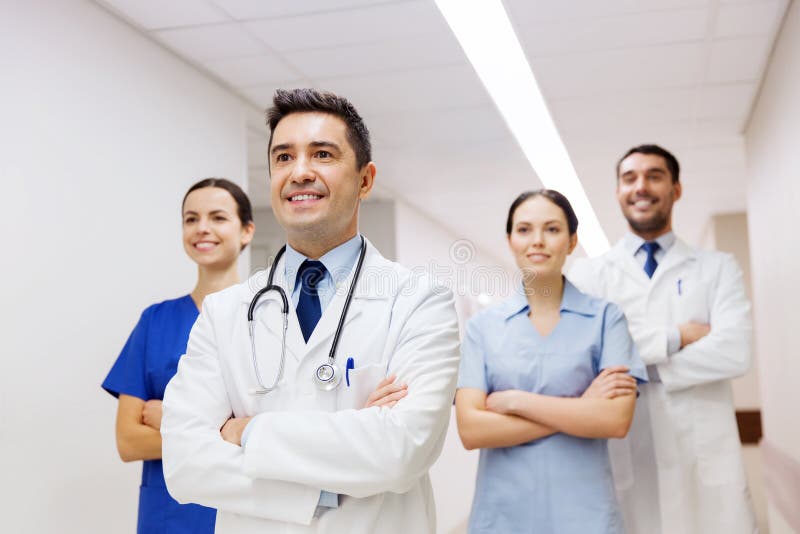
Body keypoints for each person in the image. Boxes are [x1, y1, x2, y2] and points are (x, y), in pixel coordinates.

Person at [160, 88, 461, 534]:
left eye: (322, 154)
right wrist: (326, 485)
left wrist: (247, 433)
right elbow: (186, 465)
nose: (299, 172)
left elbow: (401, 452)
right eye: (283, 158)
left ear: (365, 179)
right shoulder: (225, 313)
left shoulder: (419, 300)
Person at [569, 144, 757, 534]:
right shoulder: (589, 276)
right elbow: (581, 358)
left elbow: (734, 353)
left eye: (654, 176)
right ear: (618, 191)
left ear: (676, 189)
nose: (641, 186)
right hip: (625, 459)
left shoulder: (717, 268)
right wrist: (677, 337)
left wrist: (634, 366)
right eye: (629, 178)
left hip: (704, 462)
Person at [456, 189, 648, 534]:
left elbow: (616, 420)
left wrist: (517, 402)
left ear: (572, 241)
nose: (538, 241)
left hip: (585, 513)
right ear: (510, 240)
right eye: (525, 229)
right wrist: (581, 408)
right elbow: (471, 430)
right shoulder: (482, 328)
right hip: (504, 515)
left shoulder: (606, 319)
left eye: (553, 229)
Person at [102, 178, 256, 533]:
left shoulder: (269, 319)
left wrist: (169, 418)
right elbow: (128, 441)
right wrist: (228, 430)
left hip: (243, 506)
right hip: (169, 515)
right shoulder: (155, 321)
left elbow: (274, 428)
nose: (202, 228)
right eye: (191, 219)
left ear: (246, 231)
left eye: (218, 217)